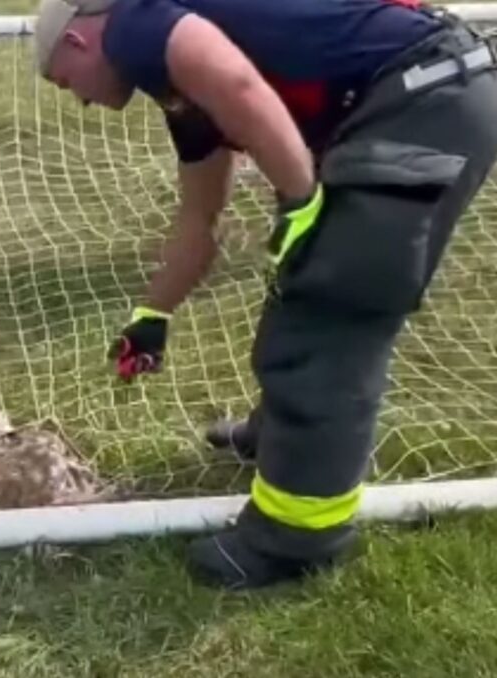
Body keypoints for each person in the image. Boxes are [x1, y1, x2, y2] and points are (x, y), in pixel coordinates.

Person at [34, 0, 497, 589]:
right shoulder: (178, 85)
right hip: (412, 95)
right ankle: (282, 443)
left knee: (333, 309)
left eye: (64, 82)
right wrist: (152, 314)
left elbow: (240, 83)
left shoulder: (137, 21)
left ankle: (294, 540)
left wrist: (301, 201)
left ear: (76, 41)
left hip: (424, 100)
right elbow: (199, 220)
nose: (78, 98)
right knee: (306, 282)